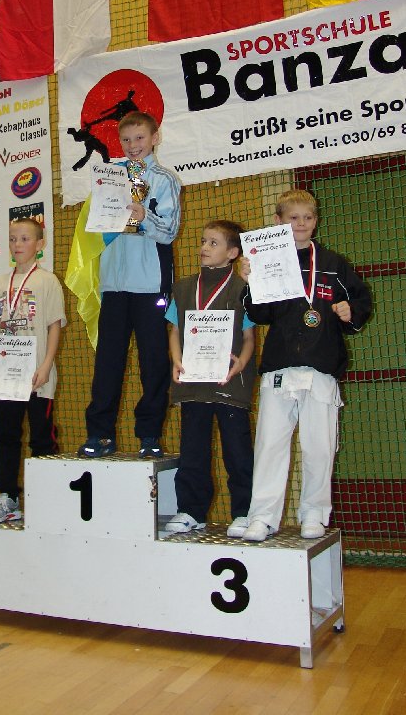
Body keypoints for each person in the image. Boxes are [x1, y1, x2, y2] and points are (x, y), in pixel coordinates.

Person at [230, 189, 372, 542]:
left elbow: (360, 298)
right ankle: (262, 517)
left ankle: (314, 515)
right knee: (270, 445)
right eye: (293, 218)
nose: (301, 224)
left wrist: (350, 310)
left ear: (315, 221)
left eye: (308, 217)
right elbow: (260, 314)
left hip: (321, 366)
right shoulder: (266, 260)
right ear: (278, 221)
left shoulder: (334, 263)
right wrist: (249, 283)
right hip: (280, 365)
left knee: (319, 447)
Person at [78, 111, 181, 459]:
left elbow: (170, 231)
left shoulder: (165, 179)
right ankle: (100, 434)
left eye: (140, 138)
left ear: (155, 138)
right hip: (113, 284)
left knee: (153, 362)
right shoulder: (110, 177)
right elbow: (96, 226)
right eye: (126, 140)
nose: (133, 145)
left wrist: (143, 216)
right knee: (107, 361)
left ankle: (149, 434)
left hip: (150, 284)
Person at [164, 221, 257, 535]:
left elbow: (249, 337)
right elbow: (175, 330)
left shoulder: (243, 288)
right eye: (203, 241)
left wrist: (241, 363)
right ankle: (191, 510)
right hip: (193, 382)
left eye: (213, 243)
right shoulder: (183, 288)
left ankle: (244, 512)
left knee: (237, 451)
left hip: (229, 381)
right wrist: (176, 359)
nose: (204, 247)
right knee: (193, 449)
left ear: (232, 253)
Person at [0, 218, 66, 524]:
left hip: (36, 377)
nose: (18, 244)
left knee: (42, 437)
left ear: (40, 244)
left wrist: (46, 365)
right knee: (5, 436)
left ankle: (48, 498)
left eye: (25, 239)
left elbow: (54, 326)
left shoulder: (47, 281)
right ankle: (8, 497)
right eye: (13, 239)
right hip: (5, 377)